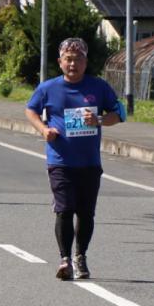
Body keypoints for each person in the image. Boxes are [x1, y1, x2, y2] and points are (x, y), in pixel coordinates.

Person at [24, 37, 125, 281]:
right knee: (65, 210)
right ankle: (65, 259)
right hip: (60, 160)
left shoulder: (98, 86)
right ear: (60, 62)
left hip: (89, 162)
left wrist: (99, 120)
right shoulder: (48, 88)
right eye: (68, 59)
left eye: (78, 59)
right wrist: (44, 130)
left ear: (85, 62)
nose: (73, 64)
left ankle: (80, 256)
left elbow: (119, 113)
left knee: (86, 213)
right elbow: (30, 110)